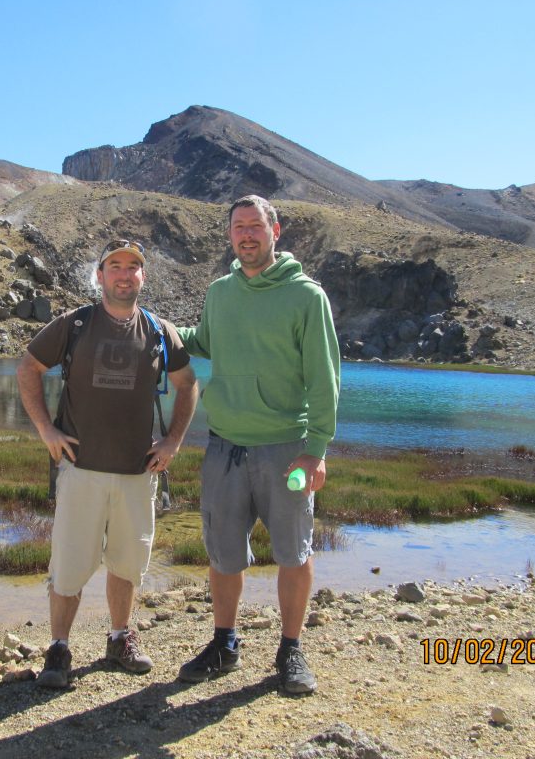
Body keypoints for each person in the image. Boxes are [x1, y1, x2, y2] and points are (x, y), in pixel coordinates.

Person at [176, 195, 340, 695]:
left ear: (276, 230)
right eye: (238, 227)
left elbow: (325, 379)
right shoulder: (220, 292)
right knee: (223, 553)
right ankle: (224, 643)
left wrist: (316, 450)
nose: (246, 235)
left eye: (255, 226)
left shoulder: (306, 297)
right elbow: (202, 340)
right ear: (229, 235)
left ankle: (291, 650)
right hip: (224, 448)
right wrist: (153, 331)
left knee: (293, 551)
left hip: (286, 450)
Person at [17, 238, 199, 689]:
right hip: (81, 470)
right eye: (114, 266)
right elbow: (28, 368)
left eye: (132, 267)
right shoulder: (73, 325)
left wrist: (173, 440)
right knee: (69, 564)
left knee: (127, 562)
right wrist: (46, 430)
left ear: (143, 277)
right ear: (99, 276)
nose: (123, 274)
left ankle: (119, 638)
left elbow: (188, 384)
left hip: (139, 474)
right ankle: (58, 648)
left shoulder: (160, 331)